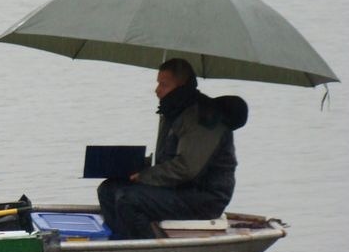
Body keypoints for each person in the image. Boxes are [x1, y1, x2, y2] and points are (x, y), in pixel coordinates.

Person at [97, 58, 246, 239]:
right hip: (180, 188)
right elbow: (168, 160)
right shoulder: (175, 111)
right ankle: (122, 240)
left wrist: (146, 176)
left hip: (204, 197)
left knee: (128, 199)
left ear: (181, 86)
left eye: (164, 85)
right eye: (158, 83)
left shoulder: (202, 118)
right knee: (108, 189)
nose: (157, 90)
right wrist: (134, 167)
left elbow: (186, 168)